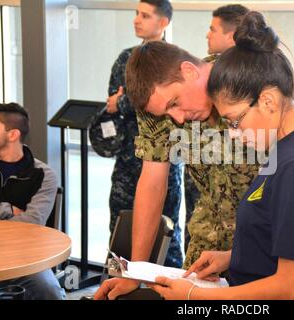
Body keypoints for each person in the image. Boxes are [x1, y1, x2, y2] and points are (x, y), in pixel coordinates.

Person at [150, 11, 294, 300]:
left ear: (266, 100)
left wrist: (193, 296)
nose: (233, 132)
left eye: (234, 120)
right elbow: (284, 237)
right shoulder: (284, 148)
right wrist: (233, 257)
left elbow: (293, 289)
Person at [93, 37, 260, 300]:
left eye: (174, 103)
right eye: (168, 113)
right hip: (207, 245)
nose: (179, 119)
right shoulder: (156, 107)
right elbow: (152, 182)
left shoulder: (249, 79)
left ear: (190, 71)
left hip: (263, 241)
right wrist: (136, 270)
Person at [88, 0, 183, 268]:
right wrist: (121, 103)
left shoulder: (173, 60)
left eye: (145, 15)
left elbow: (143, 103)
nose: (136, 20)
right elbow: (113, 101)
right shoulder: (125, 58)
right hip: (128, 161)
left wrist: (124, 102)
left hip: (165, 162)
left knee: (166, 235)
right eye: (136, 14)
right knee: (120, 231)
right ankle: (118, 285)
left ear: (163, 22)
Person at [182, 2, 250, 256]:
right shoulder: (200, 77)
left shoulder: (265, 85)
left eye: (212, 29)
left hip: (254, 240)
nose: (207, 35)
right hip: (207, 236)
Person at [0, 103, 65, 300]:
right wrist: (9, 209)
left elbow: (32, 224)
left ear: (13, 135)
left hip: (24, 256)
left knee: (50, 292)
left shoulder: (44, 175)